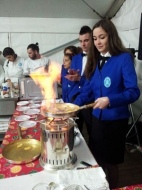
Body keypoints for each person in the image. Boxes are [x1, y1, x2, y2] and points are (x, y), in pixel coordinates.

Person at [73, 19, 140, 189]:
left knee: (111, 162)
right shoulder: (94, 60)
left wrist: (110, 100)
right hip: (97, 120)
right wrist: (73, 107)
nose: (98, 42)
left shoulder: (124, 58)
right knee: (97, 159)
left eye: (101, 37)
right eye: (95, 39)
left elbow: (133, 92)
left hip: (115, 121)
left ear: (111, 36)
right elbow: (87, 90)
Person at [65, 26, 94, 141]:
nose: (83, 44)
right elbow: (76, 78)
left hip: (90, 100)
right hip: (75, 96)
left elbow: (92, 81)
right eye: (81, 41)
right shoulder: (76, 58)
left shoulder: (97, 57)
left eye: (86, 40)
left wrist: (79, 79)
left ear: (92, 39)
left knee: (92, 131)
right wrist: (73, 76)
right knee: (75, 130)